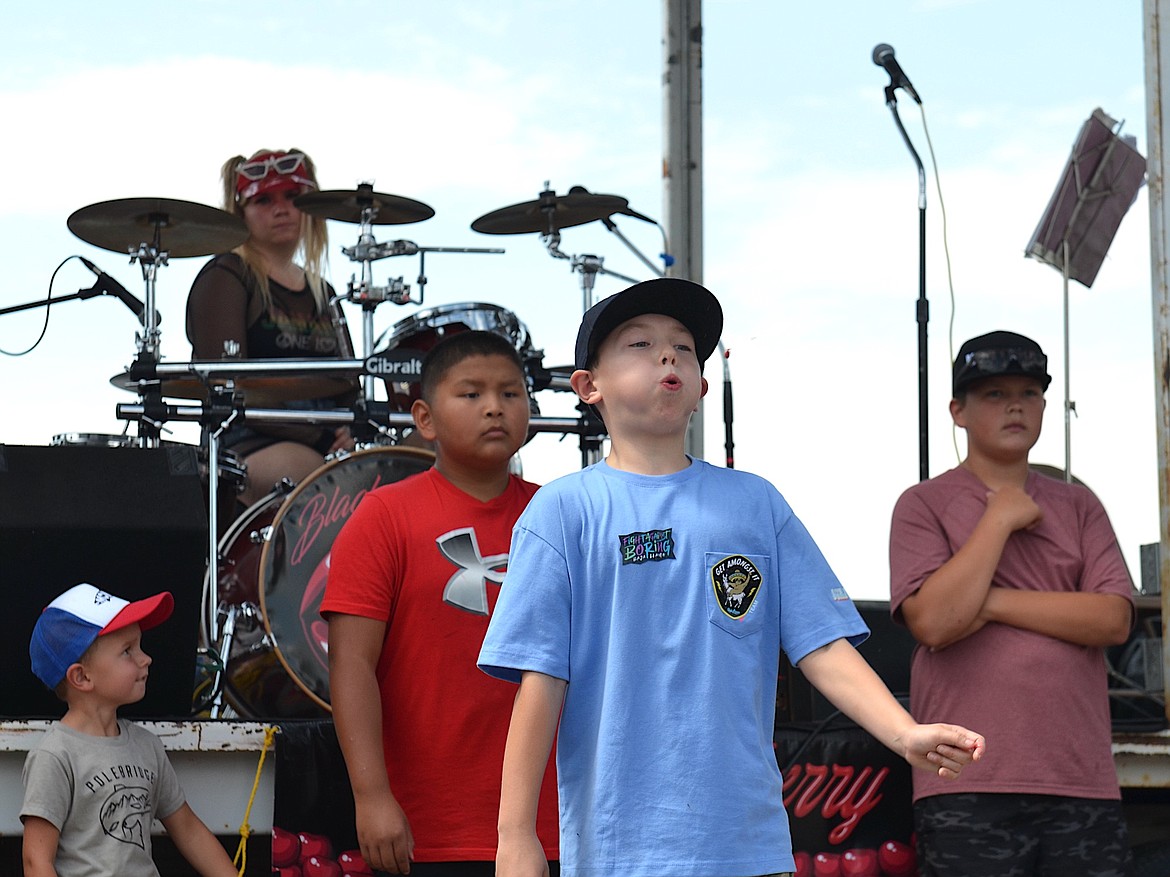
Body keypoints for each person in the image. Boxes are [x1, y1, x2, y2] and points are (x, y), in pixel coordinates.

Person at [477, 278, 987, 877]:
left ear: (699, 388)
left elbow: (821, 644)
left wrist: (904, 734)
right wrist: (514, 836)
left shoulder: (756, 504)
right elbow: (541, 682)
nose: (668, 355)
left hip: (748, 848)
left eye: (684, 348)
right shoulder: (562, 512)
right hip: (618, 851)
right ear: (590, 387)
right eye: (640, 343)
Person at [889, 330, 1135, 877]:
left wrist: (991, 601)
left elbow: (1113, 618)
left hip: (1081, 782)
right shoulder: (922, 504)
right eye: (994, 394)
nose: (1016, 405)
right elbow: (932, 622)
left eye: (1029, 392)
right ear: (958, 411)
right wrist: (1000, 517)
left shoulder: (1079, 504)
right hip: (964, 782)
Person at [321, 330, 560, 877]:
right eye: (471, 394)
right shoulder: (384, 515)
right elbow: (350, 664)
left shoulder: (560, 513)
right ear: (424, 418)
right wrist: (372, 795)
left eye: (511, 392)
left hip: (553, 824)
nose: (495, 407)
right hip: (429, 828)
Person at [21, 583, 237, 877]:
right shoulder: (55, 756)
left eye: (140, 647)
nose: (145, 658)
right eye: (127, 651)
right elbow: (36, 861)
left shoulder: (146, 745)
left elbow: (188, 830)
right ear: (81, 677)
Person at [185, 148, 358, 509]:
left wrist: (351, 432)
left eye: (293, 197)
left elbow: (348, 385)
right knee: (328, 481)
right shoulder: (227, 276)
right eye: (263, 200)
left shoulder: (323, 291)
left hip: (326, 447)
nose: (282, 209)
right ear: (240, 212)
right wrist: (323, 435)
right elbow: (230, 390)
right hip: (247, 445)